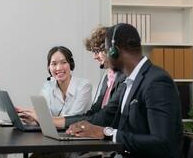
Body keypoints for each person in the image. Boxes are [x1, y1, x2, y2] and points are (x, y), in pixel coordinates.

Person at [67, 23, 183, 158]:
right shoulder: (128, 82)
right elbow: (107, 117)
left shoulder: (156, 82)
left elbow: (162, 143)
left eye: (105, 50)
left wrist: (106, 133)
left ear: (114, 52)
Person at [19, 46, 92, 120]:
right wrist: (32, 118)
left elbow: (72, 118)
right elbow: (44, 114)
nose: (59, 68)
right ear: (49, 67)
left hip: (77, 130)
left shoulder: (84, 86)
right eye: (54, 64)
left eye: (63, 62)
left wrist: (41, 119)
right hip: (54, 130)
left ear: (71, 64)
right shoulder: (48, 86)